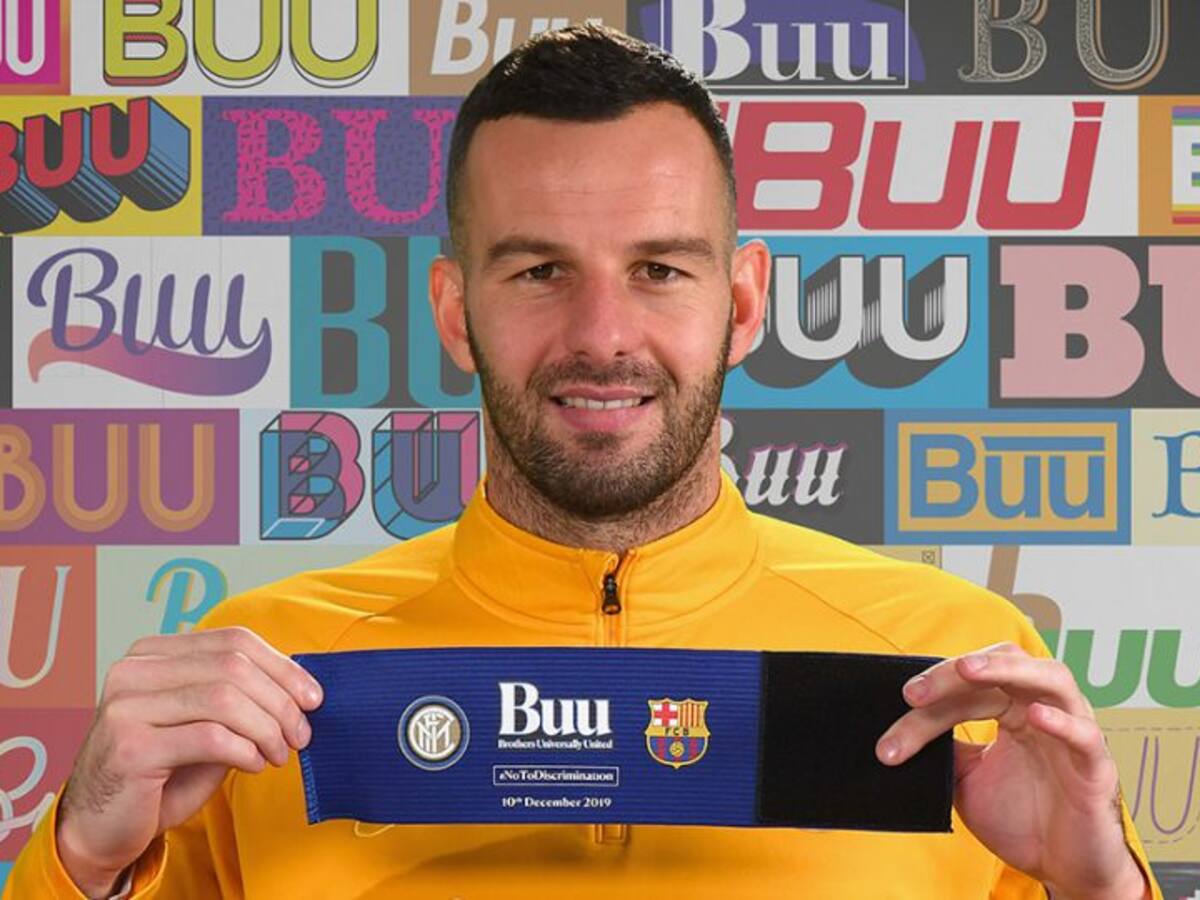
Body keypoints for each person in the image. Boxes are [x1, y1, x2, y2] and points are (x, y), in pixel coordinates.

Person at [7, 23, 1159, 900]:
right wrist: (84, 858)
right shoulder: (258, 687)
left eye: (659, 269)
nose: (602, 334)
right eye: (539, 271)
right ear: (454, 312)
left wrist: (1095, 884)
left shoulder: (951, 673)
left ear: (742, 302)